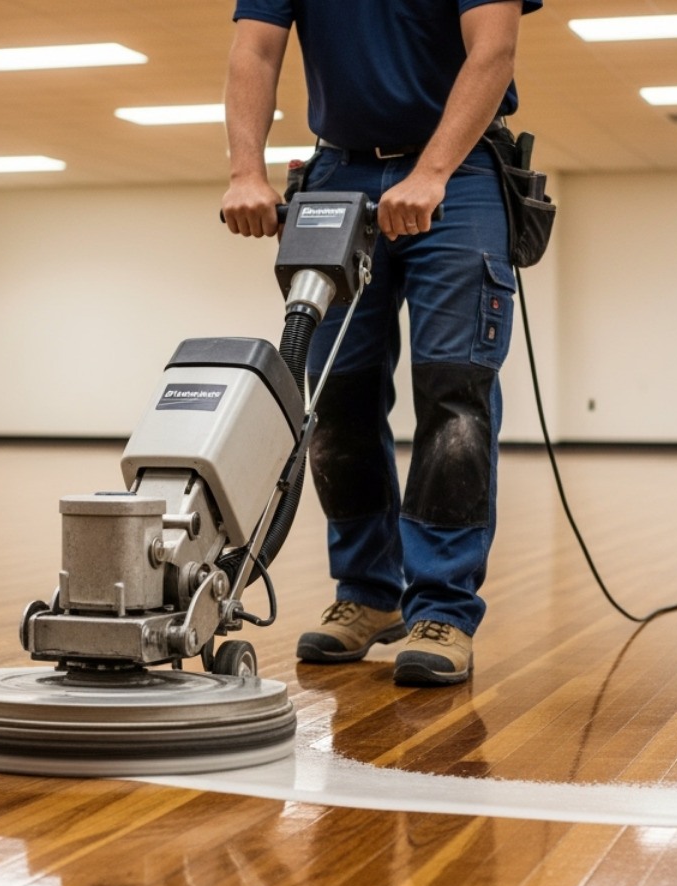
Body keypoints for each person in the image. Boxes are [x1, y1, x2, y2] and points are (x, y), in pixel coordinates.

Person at [221, 0, 540, 686]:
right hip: (337, 174)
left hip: (457, 171)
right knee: (335, 394)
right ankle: (366, 593)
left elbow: (493, 52)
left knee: (455, 394)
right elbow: (256, 52)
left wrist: (430, 172)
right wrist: (246, 169)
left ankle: (444, 608)